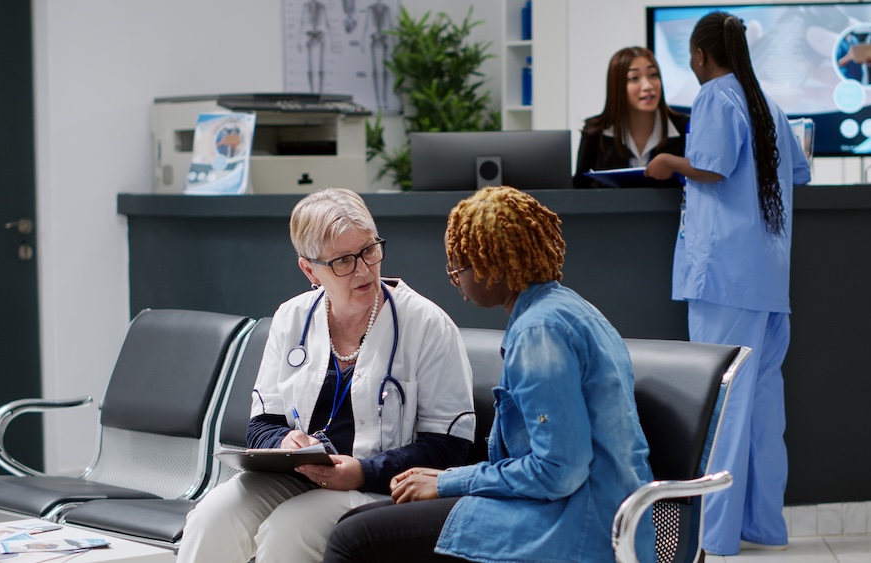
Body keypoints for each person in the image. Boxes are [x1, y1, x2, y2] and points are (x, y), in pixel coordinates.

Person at [323, 186, 657, 563]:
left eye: (459, 266)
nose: (455, 279)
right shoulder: (569, 310)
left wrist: (449, 481)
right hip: (583, 513)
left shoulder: (538, 333)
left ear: (493, 265)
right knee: (358, 523)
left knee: (351, 540)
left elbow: (558, 471)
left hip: (573, 527)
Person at [177, 188, 476, 563]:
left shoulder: (427, 326)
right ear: (309, 269)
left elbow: (449, 448)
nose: (363, 269)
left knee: (290, 531)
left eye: (369, 250)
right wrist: (285, 442)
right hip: (295, 475)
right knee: (211, 517)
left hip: (377, 487)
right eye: (342, 261)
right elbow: (262, 423)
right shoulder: (292, 318)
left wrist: (363, 472)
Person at [644, 11, 812, 557]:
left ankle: (714, 535)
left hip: (724, 279)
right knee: (763, 403)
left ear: (698, 56)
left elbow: (713, 167)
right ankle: (764, 526)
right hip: (768, 279)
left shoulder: (717, 95)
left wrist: (669, 160)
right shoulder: (768, 103)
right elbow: (801, 172)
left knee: (722, 403)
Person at [573, 46, 689, 188]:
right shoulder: (595, 132)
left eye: (653, 75)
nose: (647, 85)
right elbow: (579, 191)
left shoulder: (684, 127)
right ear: (618, 87)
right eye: (635, 78)